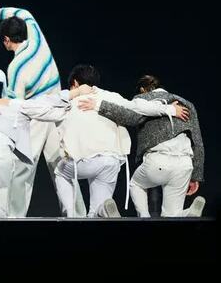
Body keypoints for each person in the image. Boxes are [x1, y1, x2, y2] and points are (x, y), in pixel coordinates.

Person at [0, 6, 83, 217]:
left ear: (6, 40)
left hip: (37, 117)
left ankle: (14, 217)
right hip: (59, 112)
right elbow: (24, 13)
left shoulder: (16, 67)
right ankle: (78, 216)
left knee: (22, 168)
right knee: (64, 166)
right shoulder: (38, 42)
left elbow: (17, 106)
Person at [88, 74, 206, 217]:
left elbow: (128, 116)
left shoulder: (143, 100)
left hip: (159, 160)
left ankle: (144, 217)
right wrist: (196, 176)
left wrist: (98, 106)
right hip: (184, 164)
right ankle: (188, 214)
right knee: (172, 216)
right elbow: (198, 142)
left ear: (142, 90)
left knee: (136, 185)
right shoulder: (187, 104)